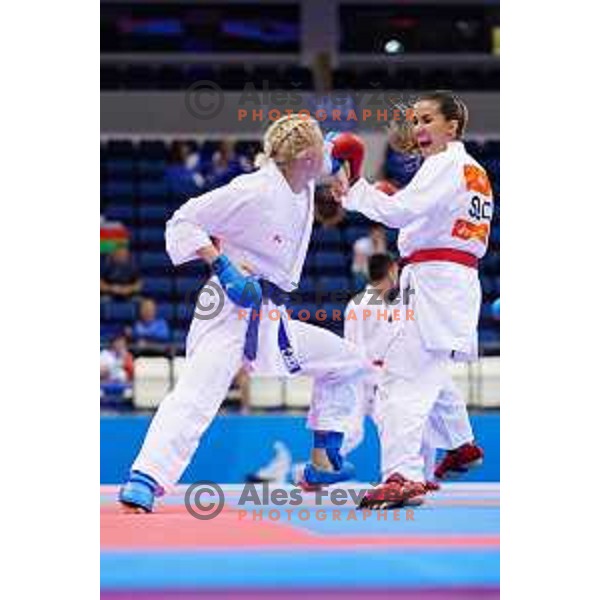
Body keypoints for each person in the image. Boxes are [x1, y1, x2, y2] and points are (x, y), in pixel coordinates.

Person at [118, 116, 373, 512]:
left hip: (270, 312)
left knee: (347, 362)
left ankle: (323, 462)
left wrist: (344, 173)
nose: (327, 153)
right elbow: (182, 220)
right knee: (197, 394)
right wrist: (222, 266)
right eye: (321, 150)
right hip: (227, 302)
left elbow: (351, 145)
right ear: (306, 156)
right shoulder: (252, 191)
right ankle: (145, 478)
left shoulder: (304, 168)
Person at [332, 91, 487, 508]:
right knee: (426, 369)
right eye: (415, 121)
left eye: (427, 120)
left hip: (436, 281)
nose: (418, 128)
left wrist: (358, 191)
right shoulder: (467, 167)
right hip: (449, 280)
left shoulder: (445, 164)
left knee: (402, 378)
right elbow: (426, 214)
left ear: (451, 126)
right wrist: (386, 194)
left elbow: (403, 214)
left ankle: (402, 475)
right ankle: (460, 444)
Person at [351, 223, 389, 289]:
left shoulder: (382, 244)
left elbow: (381, 261)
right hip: (361, 273)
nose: (380, 235)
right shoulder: (361, 243)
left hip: (375, 272)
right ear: (371, 233)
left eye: (382, 233)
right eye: (378, 232)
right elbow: (361, 266)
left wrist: (380, 243)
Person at [100, 331, 134, 400]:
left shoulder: (127, 355)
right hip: (106, 384)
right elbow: (100, 373)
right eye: (118, 342)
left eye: (122, 342)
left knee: (129, 393)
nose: (120, 344)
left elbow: (132, 373)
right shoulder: (104, 354)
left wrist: (125, 359)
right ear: (113, 343)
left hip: (123, 386)